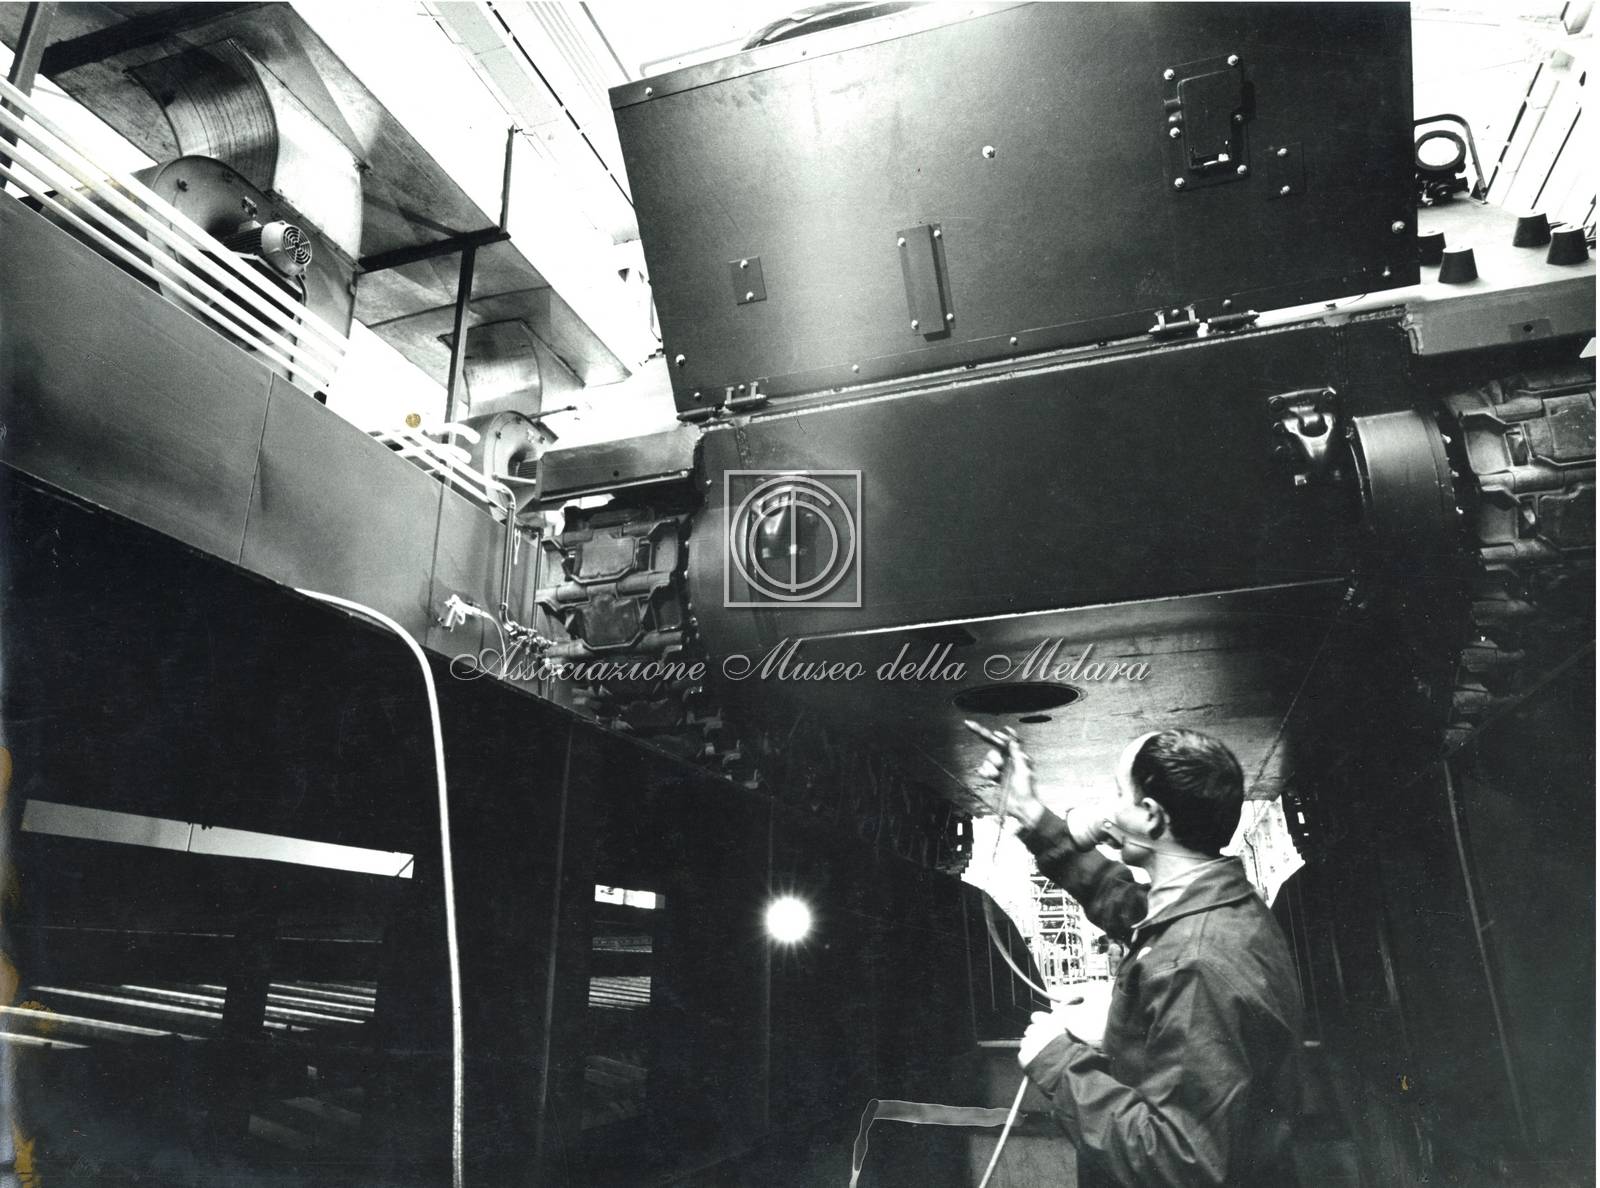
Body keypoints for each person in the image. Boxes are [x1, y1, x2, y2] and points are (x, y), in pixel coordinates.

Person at [973, 726, 1303, 1187]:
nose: (1107, 810)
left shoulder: (1195, 961)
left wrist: (1057, 1060)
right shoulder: (1216, 904)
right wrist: (1030, 814)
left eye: (1118, 794)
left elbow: (1182, 1162)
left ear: (1150, 816)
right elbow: (1121, 901)